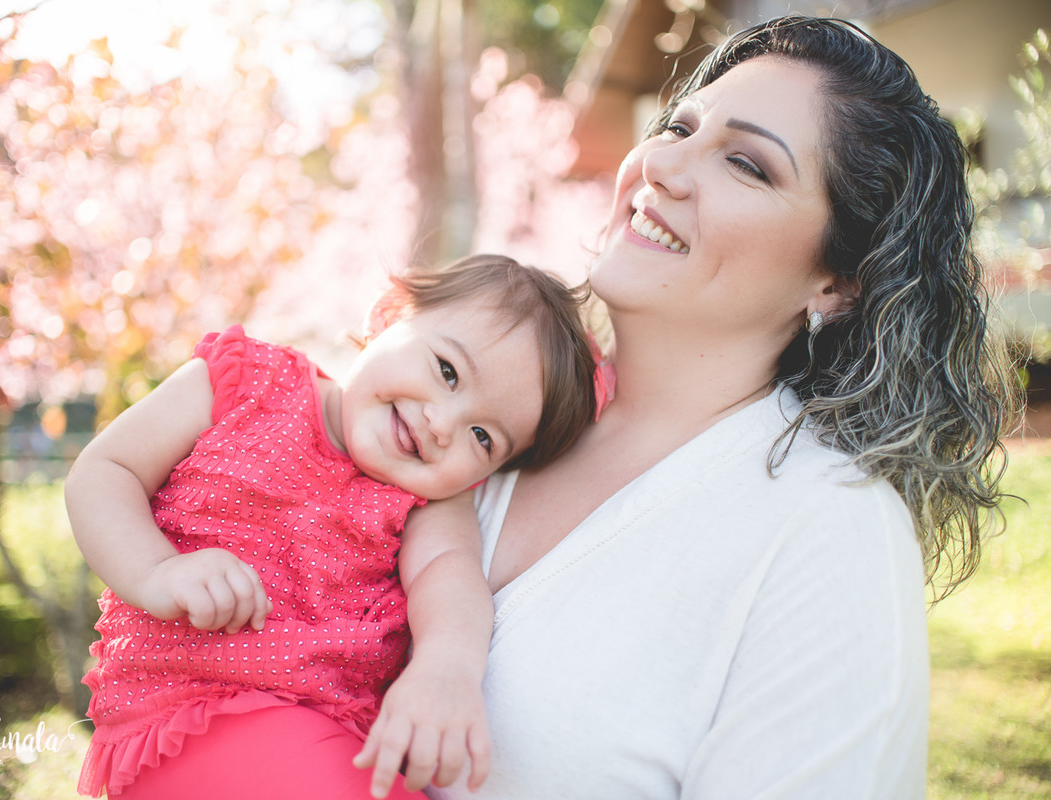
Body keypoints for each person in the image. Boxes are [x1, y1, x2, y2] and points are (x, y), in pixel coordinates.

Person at [420, 15, 1020, 799]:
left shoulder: (829, 532)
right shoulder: (477, 400)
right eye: (679, 125)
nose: (663, 164)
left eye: (746, 163)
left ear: (838, 282)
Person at [66, 254, 599, 799]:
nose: (442, 423)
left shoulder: (428, 502)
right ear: (389, 316)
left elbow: (451, 579)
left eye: (483, 436)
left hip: (328, 730)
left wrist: (446, 669)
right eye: (447, 371)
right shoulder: (246, 380)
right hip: (185, 709)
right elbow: (106, 471)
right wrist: (157, 570)